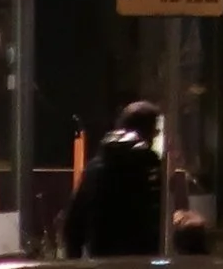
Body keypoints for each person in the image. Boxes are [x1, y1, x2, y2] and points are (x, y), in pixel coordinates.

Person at [64, 102, 164, 258]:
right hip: (143, 260)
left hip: (103, 260)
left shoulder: (96, 167)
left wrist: (74, 260)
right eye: (155, 131)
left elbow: (73, 225)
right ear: (149, 132)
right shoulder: (150, 168)